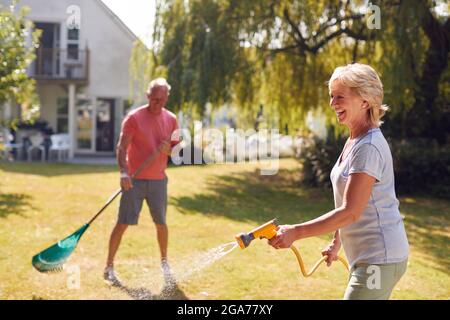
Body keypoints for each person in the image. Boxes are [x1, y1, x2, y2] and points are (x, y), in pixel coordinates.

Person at [268, 63, 409, 300]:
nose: (333, 104)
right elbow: (349, 203)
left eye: (340, 97)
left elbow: (351, 212)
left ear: (365, 101)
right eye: (332, 96)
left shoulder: (369, 147)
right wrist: (336, 242)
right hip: (371, 258)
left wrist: (295, 232)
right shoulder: (355, 141)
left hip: (379, 260)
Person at [104, 78, 179, 286]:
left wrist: (169, 150)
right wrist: (123, 172)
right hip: (134, 180)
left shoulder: (171, 119)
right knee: (123, 223)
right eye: (155, 99)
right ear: (148, 96)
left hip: (158, 181)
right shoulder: (134, 118)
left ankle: (165, 263)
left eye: (162, 99)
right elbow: (121, 147)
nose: (158, 103)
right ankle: (109, 266)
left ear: (166, 98)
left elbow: (178, 149)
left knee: (161, 223)